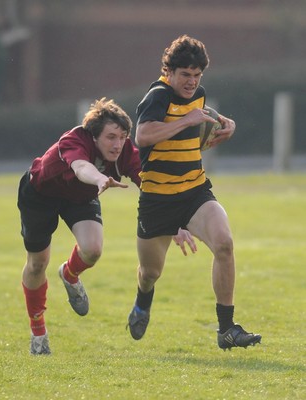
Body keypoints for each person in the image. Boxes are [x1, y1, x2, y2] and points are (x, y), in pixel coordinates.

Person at [18, 97, 195, 355]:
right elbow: (80, 167)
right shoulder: (74, 140)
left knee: (93, 250)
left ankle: (69, 274)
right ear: (94, 136)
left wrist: (174, 222)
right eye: (111, 137)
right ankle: (38, 333)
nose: (118, 144)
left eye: (123, 137)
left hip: (80, 197)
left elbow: (149, 184)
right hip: (40, 195)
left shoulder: (124, 152)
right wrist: (101, 179)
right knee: (36, 264)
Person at [127, 35, 262, 350]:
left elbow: (199, 112)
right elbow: (143, 135)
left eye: (197, 75)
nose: (191, 81)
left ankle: (226, 329)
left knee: (225, 245)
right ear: (169, 72)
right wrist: (186, 120)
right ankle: (143, 300)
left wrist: (225, 124)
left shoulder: (197, 95)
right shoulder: (157, 95)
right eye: (185, 74)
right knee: (150, 272)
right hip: (158, 199)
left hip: (194, 190)